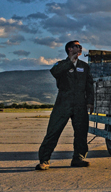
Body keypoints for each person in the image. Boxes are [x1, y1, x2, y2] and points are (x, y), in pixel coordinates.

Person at [35, 40, 94, 170]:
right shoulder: (61, 65)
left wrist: (90, 102)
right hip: (64, 101)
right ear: (69, 49)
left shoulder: (84, 66)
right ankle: (44, 160)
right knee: (53, 130)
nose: (79, 48)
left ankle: (78, 158)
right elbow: (54, 72)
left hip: (80, 102)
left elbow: (89, 85)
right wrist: (70, 62)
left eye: (80, 46)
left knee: (81, 132)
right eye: (76, 46)